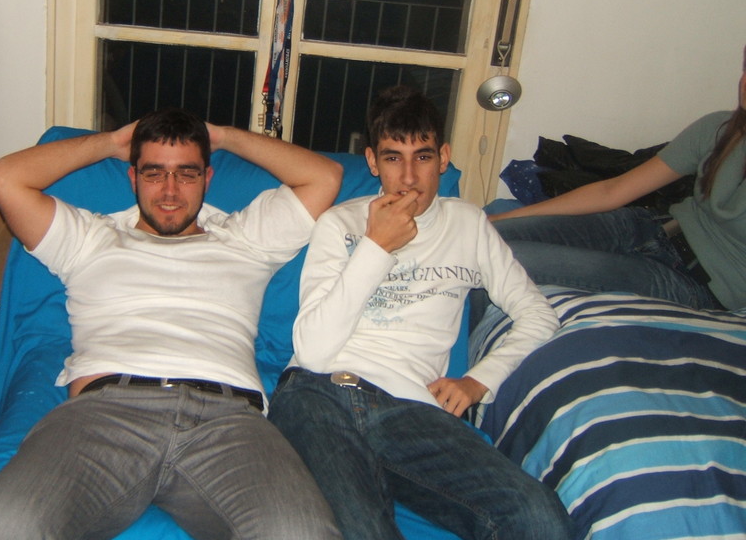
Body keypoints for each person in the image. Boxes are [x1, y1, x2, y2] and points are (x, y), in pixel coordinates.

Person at [0, 108, 344, 540]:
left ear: (208, 177)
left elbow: (325, 176)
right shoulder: (90, 238)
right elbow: (5, 178)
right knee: (0, 526)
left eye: (187, 173)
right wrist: (110, 142)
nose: (170, 191)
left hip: (228, 421)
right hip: (104, 414)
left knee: (303, 533)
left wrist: (222, 136)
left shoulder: (246, 237)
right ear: (132, 177)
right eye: (154, 173)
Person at [267, 86, 574, 540]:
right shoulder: (341, 223)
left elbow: (537, 314)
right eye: (393, 158)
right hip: (317, 395)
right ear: (373, 162)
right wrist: (376, 246)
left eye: (423, 157)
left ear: (443, 157)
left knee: (540, 518)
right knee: (362, 529)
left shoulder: (467, 224)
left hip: (412, 411)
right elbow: (312, 351)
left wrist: (479, 380)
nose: (409, 177)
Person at [491, 46, 746, 312]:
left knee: (504, 259)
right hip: (650, 228)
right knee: (483, 237)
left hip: (695, 284)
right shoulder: (718, 129)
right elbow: (612, 190)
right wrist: (500, 218)